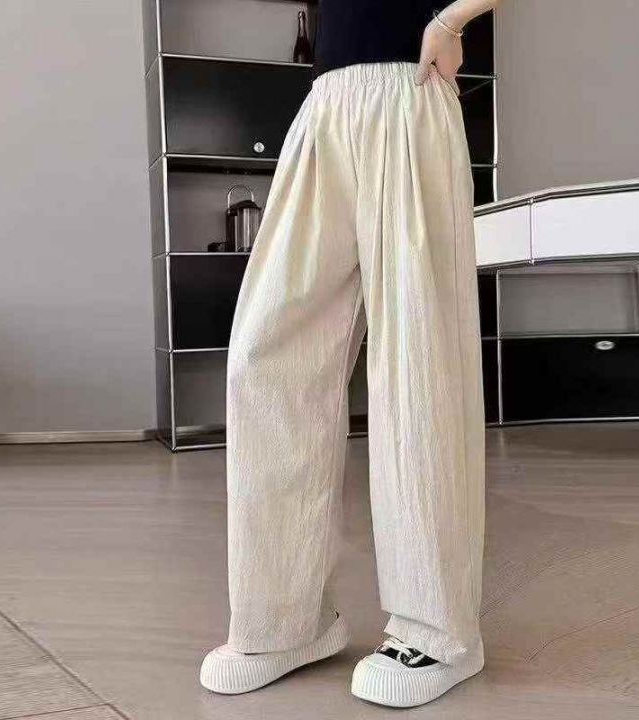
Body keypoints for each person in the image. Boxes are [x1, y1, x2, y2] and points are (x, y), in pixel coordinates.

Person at [200, 0, 499, 708]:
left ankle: (438, 629)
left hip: (410, 90)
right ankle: (285, 620)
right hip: (325, 105)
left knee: (418, 361)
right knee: (265, 356)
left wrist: (453, 20)